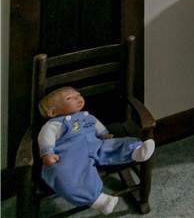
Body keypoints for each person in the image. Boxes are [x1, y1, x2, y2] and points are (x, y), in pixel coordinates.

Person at [37, 86, 155, 215]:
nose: (77, 98)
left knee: (113, 145)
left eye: (78, 95)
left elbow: (97, 126)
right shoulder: (55, 124)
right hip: (72, 153)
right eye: (70, 98)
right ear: (53, 112)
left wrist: (104, 134)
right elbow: (46, 137)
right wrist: (47, 153)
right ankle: (99, 200)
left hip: (95, 144)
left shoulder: (88, 116)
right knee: (66, 174)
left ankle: (136, 150)